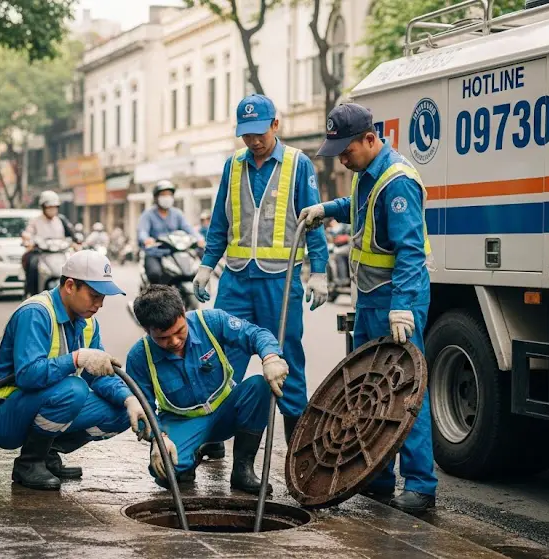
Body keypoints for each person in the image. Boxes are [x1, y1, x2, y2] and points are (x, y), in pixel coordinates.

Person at [298, 102, 436, 513]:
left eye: (346, 150)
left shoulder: (398, 182)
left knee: (406, 391)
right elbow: (357, 204)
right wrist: (327, 209)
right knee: (369, 391)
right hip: (372, 298)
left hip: (398, 301)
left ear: (370, 139)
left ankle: (421, 485)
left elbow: (410, 250)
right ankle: (377, 476)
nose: (342, 158)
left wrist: (402, 307)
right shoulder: (367, 174)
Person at [192, 93, 330, 448]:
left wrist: (319, 271)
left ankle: (297, 447)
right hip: (236, 280)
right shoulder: (233, 165)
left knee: (285, 360)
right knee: (222, 359)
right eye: (246, 134)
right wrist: (207, 265)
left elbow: (312, 223)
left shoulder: (298, 164)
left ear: (275, 125)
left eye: (259, 133)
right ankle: (211, 437)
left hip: (279, 281)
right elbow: (220, 221)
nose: (253, 141)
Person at [0, 250, 143, 491]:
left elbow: (98, 375)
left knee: (120, 412)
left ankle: (47, 454)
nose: (99, 304)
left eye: (103, 298)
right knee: (73, 389)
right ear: (70, 286)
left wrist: (129, 399)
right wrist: (76, 359)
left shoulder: (88, 323)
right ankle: (29, 462)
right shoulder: (36, 313)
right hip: (2, 414)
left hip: (40, 403)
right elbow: (27, 376)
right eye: (94, 296)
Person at [124, 284, 289, 494]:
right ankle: (194, 453)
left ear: (183, 312)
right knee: (165, 472)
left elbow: (255, 334)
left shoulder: (210, 321)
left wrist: (271, 357)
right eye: (163, 338)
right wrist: (158, 438)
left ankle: (242, 470)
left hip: (226, 412)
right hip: (183, 422)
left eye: (179, 331)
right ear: (146, 330)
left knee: (259, 386)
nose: (174, 341)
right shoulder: (139, 356)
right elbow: (142, 409)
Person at [136, 180, 203, 285]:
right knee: (154, 274)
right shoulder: (148, 215)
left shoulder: (177, 214)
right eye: (163, 195)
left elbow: (188, 228)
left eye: (169, 195)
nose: (167, 197)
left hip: (175, 252)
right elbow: (142, 231)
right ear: (156, 197)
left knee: (191, 272)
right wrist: (146, 239)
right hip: (155, 253)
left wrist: (199, 238)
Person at [22, 191, 74, 296]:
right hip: (41, 253)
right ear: (43, 207)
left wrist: (76, 242)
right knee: (31, 263)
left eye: (54, 207)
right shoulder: (35, 221)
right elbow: (28, 233)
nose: (52, 210)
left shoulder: (61, 220)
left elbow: (71, 234)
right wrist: (27, 240)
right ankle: (31, 292)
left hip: (60, 252)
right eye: (49, 207)